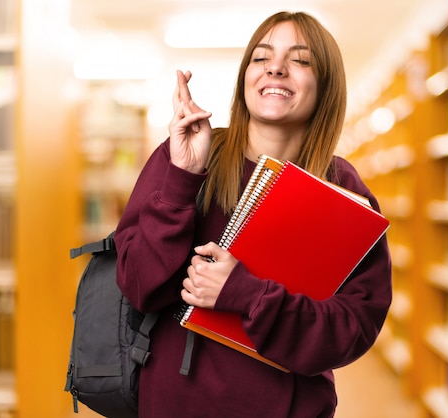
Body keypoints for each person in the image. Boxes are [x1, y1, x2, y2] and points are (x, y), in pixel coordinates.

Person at [114, 11, 392, 418]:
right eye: (261, 58)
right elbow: (139, 286)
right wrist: (181, 179)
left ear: (325, 84)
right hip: (176, 404)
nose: (276, 68)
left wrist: (244, 293)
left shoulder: (342, 186)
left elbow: (353, 328)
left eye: (300, 59)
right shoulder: (184, 155)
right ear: (246, 76)